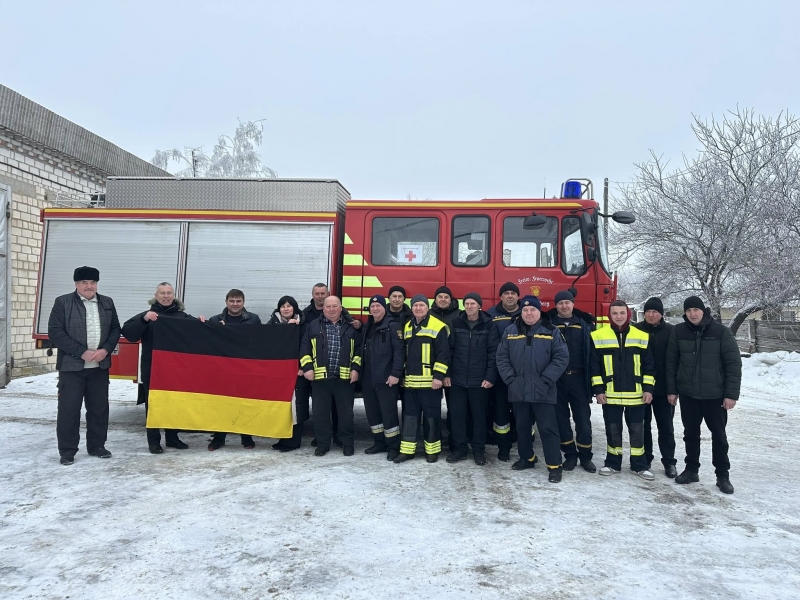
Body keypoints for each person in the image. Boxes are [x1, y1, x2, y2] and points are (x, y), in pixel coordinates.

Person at [665, 296, 741, 494]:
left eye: (696, 309)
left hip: (714, 395)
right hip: (689, 394)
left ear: (703, 311)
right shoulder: (678, 331)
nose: (692, 314)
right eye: (689, 310)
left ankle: (722, 475)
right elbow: (671, 363)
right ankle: (691, 470)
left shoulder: (721, 332)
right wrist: (672, 390)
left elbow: (733, 364)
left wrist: (730, 394)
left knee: (719, 436)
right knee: (690, 434)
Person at [48, 266, 121, 465]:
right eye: (84, 282)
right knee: (69, 410)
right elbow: (55, 332)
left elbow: (115, 329)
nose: (89, 286)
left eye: (93, 282)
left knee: (99, 409)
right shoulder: (63, 302)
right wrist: (82, 352)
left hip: (99, 367)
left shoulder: (107, 302)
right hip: (71, 367)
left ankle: (97, 445)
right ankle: (67, 451)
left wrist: (105, 349)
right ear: (76, 284)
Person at [121, 282, 205, 454]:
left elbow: (200, 332)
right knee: (153, 406)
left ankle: (172, 438)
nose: (166, 296)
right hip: (152, 369)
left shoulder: (181, 316)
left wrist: (203, 322)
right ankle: (154, 442)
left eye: (169, 293)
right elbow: (129, 333)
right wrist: (144, 320)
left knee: (173, 404)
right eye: (162, 293)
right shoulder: (148, 315)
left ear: (174, 295)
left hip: (174, 371)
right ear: (156, 295)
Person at [495, 295, 568, 482]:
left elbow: (561, 358)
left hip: (544, 389)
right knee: (522, 427)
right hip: (518, 389)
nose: (529, 313)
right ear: (521, 311)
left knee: (548, 429)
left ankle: (554, 466)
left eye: (533, 310)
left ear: (539, 312)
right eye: (525, 310)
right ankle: (527, 458)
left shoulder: (551, 331)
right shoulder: (511, 331)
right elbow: (501, 357)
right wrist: (510, 379)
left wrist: (545, 380)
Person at [590, 300, 656, 480]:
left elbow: (649, 366)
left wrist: (648, 389)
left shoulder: (641, 335)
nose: (618, 316)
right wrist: (598, 390)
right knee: (612, 429)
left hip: (636, 394)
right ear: (609, 315)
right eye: (614, 313)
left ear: (628, 314)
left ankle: (639, 465)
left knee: (637, 431)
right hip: (609, 394)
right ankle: (612, 463)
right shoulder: (598, 335)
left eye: (622, 313)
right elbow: (594, 367)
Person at [299, 296, 361, 457]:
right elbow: (304, 349)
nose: (331, 309)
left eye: (335, 306)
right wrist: (307, 368)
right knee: (320, 415)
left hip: (344, 379)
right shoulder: (313, 326)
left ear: (341, 308)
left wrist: (355, 369)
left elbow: (359, 351)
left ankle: (347, 443)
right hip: (320, 380)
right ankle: (322, 444)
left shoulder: (351, 326)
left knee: (346, 415)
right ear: (323, 309)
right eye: (328, 307)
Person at [394, 294, 450, 464]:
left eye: (421, 305)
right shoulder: (407, 327)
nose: (418, 308)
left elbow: (443, 354)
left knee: (431, 417)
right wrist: (402, 376)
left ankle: (432, 451)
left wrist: (439, 377)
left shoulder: (438, 326)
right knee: (409, 417)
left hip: (430, 384)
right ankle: (407, 451)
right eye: (415, 305)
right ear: (412, 308)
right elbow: (404, 354)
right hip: (410, 383)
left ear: (427, 307)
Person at [546, 290, 597, 473]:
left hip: (579, 379)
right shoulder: (549, 325)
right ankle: (570, 455)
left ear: (573, 304)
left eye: (567, 303)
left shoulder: (585, 325)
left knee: (583, 420)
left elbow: (593, 355)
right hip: (556, 381)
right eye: (560, 303)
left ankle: (585, 457)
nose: (564, 306)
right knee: (561, 421)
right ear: (556, 305)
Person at [445, 292, 499, 466]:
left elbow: (494, 353)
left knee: (479, 417)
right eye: (466, 303)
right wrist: (447, 374)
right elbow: (449, 351)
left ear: (479, 306)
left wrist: (490, 376)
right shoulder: (456, 324)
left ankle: (478, 450)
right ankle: (460, 449)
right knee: (457, 416)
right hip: (457, 380)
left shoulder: (489, 325)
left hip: (480, 381)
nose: (469, 306)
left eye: (473, 303)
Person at [206, 289, 262, 451]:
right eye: (232, 301)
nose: (235, 304)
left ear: (243, 302)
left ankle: (246, 436)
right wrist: (215, 329)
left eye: (238, 301)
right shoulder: (215, 320)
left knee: (244, 403)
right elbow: (208, 344)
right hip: (222, 370)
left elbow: (259, 342)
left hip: (245, 369)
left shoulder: (254, 319)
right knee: (221, 403)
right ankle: (218, 437)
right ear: (226, 302)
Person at [635, 297, 677, 478]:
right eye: (648, 312)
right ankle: (645, 459)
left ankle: (669, 462)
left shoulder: (671, 332)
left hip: (663, 389)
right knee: (643, 426)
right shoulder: (635, 330)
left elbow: (675, 362)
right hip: (641, 388)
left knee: (666, 427)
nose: (651, 315)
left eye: (655, 312)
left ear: (661, 314)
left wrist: (673, 390)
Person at [359, 295, 404, 460]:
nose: (375, 309)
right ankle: (379, 442)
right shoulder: (367, 326)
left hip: (386, 379)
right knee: (373, 413)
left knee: (389, 413)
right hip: (368, 379)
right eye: (372, 306)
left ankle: (393, 446)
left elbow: (399, 352)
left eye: (378, 306)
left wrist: (395, 374)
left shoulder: (393, 326)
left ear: (384, 307)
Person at [486, 282, 523, 461]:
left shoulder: (527, 312)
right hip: (500, 374)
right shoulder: (491, 315)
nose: (510, 296)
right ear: (500, 297)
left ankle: (524, 445)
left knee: (522, 411)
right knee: (500, 411)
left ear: (518, 296)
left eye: (513, 293)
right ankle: (503, 447)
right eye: (506, 293)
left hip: (523, 374)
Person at [269, 296, 307, 452]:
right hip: (280, 374)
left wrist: (304, 367)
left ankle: (294, 441)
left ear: (295, 308)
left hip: (298, 373)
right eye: (283, 306)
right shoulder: (271, 325)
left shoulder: (304, 326)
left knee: (296, 407)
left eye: (289, 306)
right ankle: (283, 439)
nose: (286, 309)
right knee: (282, 407)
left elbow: (308, 347)